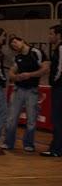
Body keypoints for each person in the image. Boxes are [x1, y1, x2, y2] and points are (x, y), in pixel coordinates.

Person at [1, 36, 49, 152]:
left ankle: (29, 144)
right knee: (11, 119)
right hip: (18, 90)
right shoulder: (17, 57)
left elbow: (45, 69)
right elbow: (12, 71)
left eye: (15, 42)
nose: (15, 45)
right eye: (12, 45)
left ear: (22, 40)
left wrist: (30, 75)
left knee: (31, 120)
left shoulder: (36, 52)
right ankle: (8, 142)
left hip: (32, 91)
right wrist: (15, 76)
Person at [40, 24, 62, 157]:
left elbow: (60, 68)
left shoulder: (60, 48)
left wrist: (54, 81)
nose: (49, 36)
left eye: (51, 34)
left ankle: (56, 149)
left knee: (57, 119)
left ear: (58, 35)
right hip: (58, 87)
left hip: (59, 88)